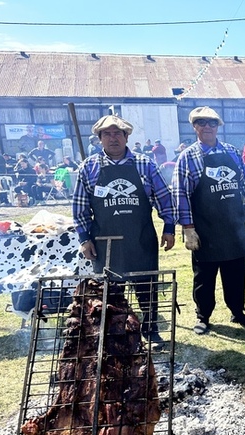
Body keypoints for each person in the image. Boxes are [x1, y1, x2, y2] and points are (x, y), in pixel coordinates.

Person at [72, 115, 175, 346]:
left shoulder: (144, 164)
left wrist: (169, 226)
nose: (113, 138)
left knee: (147, 288)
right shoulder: (88, 167)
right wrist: (84, 238)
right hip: (105, 243)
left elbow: (164, 198)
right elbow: (80, 207)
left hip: (141, 239)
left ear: (126, 136)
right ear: (99, 139)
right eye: (107, 134)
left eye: (117, 133)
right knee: (109, 292)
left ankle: (151, 331)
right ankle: (114, 335)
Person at [173, 106, 245, 334]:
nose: (207, 126)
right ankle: (203, 317)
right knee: (204, 277)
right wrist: (188, 228)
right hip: (205, 230)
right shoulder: (188, 157)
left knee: (236, 274)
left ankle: (238, 312)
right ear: (195, 127)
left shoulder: (231, 152)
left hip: (234, 227)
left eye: (212, 122)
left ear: (219, 126)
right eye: (202, 122)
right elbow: (181, 195)